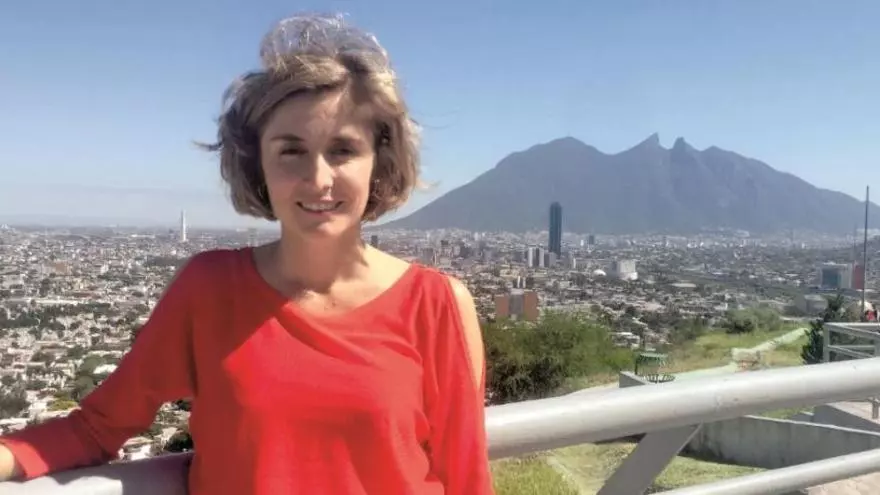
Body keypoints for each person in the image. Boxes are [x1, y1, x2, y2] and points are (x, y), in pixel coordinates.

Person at [0, 14, 494, 495]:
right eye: (291, 151)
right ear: (258, 164)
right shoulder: (210, 291)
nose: (318, 179)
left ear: (378, 162)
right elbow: (99, 426)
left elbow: (465, 480)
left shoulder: (437, 306)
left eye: (342, 150)